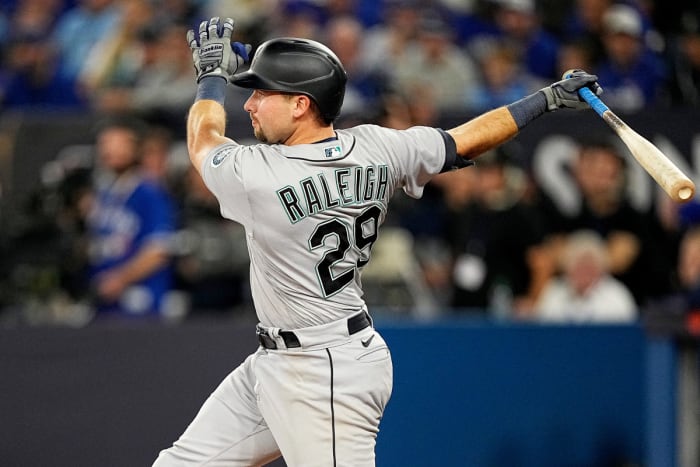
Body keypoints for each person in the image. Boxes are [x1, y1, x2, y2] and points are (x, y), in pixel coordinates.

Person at [152, 16, 601, 466]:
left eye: (262, 93)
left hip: (322, 370)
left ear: (300, 105)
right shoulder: (376, 148)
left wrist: (211, 78)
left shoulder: (258, 175)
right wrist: (544, 100)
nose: (249, 104)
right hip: (288, 359)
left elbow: (203, 138)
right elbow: (461, 142)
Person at [85, 116, 178, 319]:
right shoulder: (104, 192)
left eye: (119, 144)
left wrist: (120, 279)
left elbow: (158, 251)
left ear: (136, 148)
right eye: (106, 144)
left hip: (140, 302)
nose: (111, 151)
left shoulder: (150, 191)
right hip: (105, 302)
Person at [533, 229, 638, 323]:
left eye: (589, 266)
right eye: (578, 265)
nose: (584, 272)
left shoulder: (617, 295)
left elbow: (628, 335)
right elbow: (543, 329)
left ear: (600, 269)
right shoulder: (554, 291)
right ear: (568, 268)